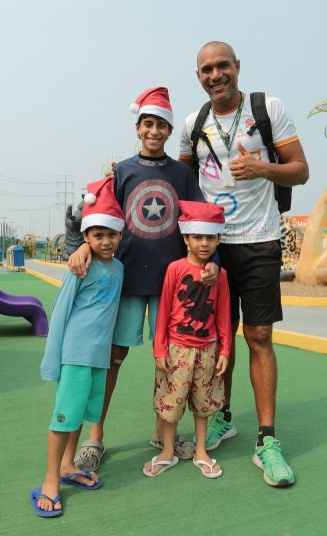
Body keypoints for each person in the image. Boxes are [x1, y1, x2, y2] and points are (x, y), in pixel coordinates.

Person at [179, 41, 309, 487]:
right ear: (198, 76)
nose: (215, 75)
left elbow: (300, 170)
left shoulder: (267, 109)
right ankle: (222, 417)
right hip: (212, 247)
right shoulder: (192, 124)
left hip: (259, 240)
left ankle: (267, 440)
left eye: (223, 66)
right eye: (206, 69)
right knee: (218, 338)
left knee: (258, 336)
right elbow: (177, 179)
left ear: (237, 67)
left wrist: (263, 168)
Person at [68, 87, 217, 472]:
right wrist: (82, 245)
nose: (154, 131)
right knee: (111, 358)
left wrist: (212, 262)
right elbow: (98, 217)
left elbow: (200, 220)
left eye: (161, 125)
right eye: (148, 123)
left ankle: (162, 432)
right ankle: (95, 437)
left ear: (169, 130)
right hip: (127, 282)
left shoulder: (182, 175)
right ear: (138, 127)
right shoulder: (120, 172)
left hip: (174, 286)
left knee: (171, 360)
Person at [31, 177, 124, 517]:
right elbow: (60, 311)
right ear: (86, 237)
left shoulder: (119, 268)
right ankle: (50, 480)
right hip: (75, 354)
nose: (105, 241)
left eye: (111, 234)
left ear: (121, 235)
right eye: (97, 235)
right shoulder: (79, 267)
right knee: (64, 416)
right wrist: (52, 358)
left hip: (99, 356)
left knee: (82, 412)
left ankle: (68, 465)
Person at [145, 201, 232, 479]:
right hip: (177, 349)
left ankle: (201, 450)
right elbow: (163, 312)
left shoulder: (221, 276)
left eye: (210, 237)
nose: (204, 243)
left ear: (218, 240)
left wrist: (225, 351)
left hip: (208, 349)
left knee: (203, 403)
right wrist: (160, 349)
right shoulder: (175, 269)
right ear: (186, 238)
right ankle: (167, 450)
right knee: (171, 402)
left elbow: (223, 315)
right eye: (198, 237)